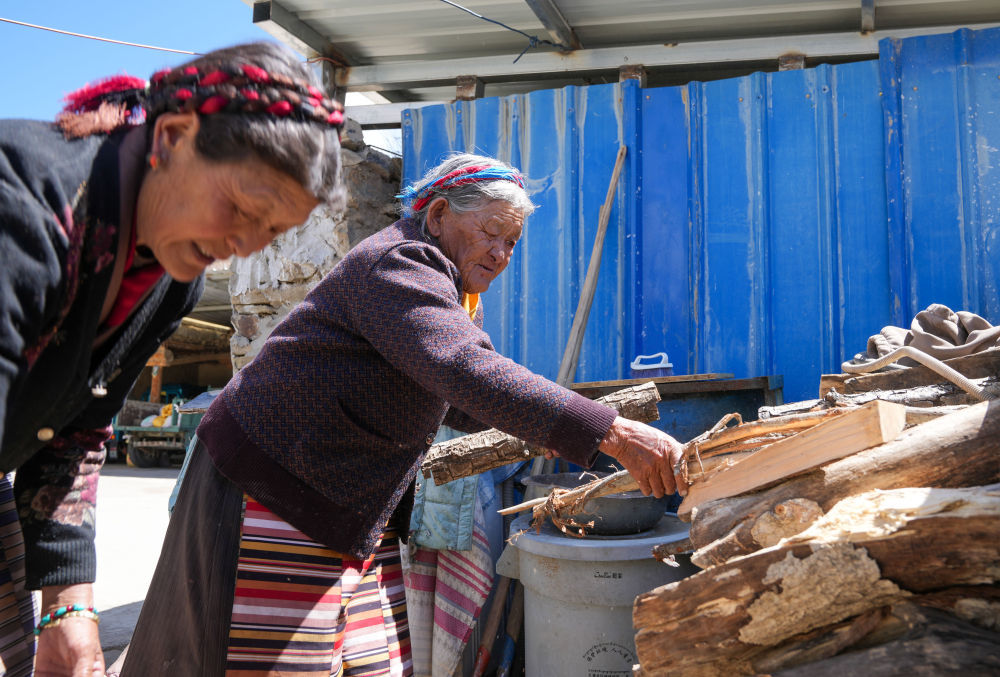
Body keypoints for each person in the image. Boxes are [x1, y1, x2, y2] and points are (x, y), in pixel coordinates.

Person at [122, 153, 688, 676]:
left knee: (369, 661)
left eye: (512, 242)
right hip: (271, 485)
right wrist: (609, 430)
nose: (501, 254)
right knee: (267, 660)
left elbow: (461, 397)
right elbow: (463, 368)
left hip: (340, 504)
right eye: (493, 233)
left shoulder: (449, 289)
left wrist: (549, 433)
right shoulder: (400, 262)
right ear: (439, 216)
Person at [0, 41, 344, 676]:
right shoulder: (23, 202)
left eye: (268, 232)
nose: (240, 247)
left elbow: (76, 427)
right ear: (173, 135)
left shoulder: (167, 274)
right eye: (241, 208)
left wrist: (67, 610)